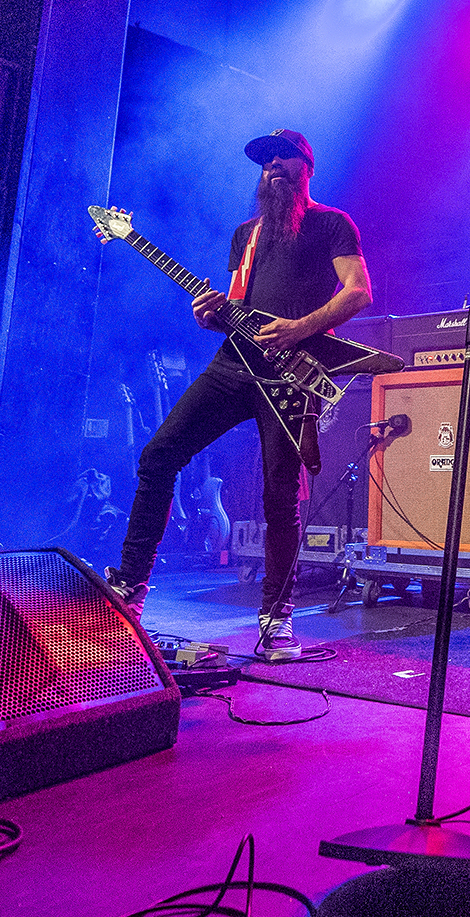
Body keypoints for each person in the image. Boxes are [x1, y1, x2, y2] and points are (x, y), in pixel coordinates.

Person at [102, 129, 373, 658]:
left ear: (305, 166)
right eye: (265, 161)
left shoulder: (331, 224)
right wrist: (210, 314)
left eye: (283, 158)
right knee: (158, 455)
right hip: (233, 365)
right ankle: (131, 586)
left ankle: (277, 619)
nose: (272, 167)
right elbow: (235, 306)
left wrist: (301, 328)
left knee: (279, 496)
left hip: (290, 374)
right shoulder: (245, 235)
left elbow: (359, 291)